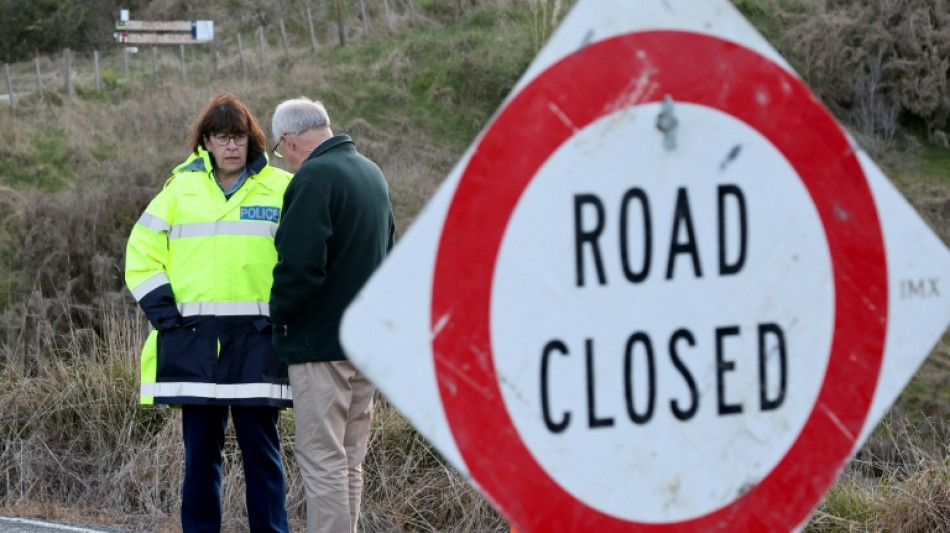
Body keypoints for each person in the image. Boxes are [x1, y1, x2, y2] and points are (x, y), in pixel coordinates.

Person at [125, 93, 292, 533]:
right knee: (200, 460)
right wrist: (167, 316)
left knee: (263, 457)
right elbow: (141, 254)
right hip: (195, 344)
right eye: (221, 137)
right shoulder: (179, 190)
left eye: (238, 137)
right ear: (207, 142)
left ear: (251, 141)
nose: (231, 146)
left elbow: (302, 258)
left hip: (259, 344)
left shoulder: (281, 188)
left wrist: (283, 313)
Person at [268, 97, 395, 533]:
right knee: (349, 459)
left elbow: (299, 265)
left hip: (320, 344)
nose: (281, 159)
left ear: (288, 140)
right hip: (365, 343)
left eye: (279, 150)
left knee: (322, 459)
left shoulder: (314, 178)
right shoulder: (370, 173)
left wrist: (279, 316)